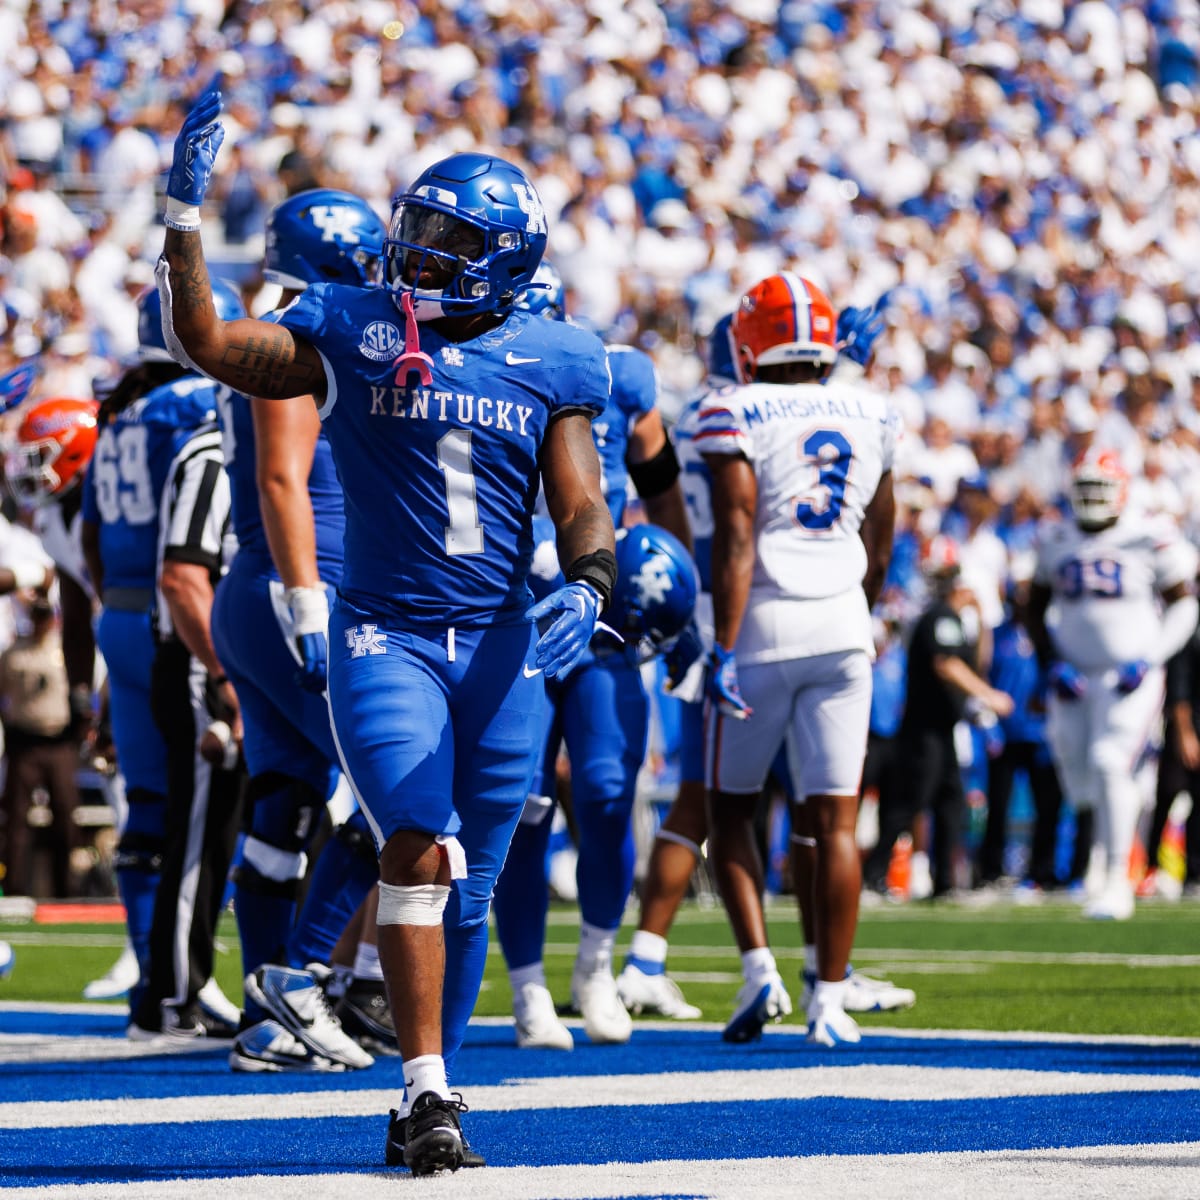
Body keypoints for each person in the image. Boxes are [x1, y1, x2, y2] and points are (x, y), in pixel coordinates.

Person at [156, 82, 616, 1176]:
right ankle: (420, 1091)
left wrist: (590, 578)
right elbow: (214, 342)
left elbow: (581, 497)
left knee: (475, 883)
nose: (415, 253)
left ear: (504, 257)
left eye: (446, 240)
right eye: (413, 229)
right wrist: (181, 225)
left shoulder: (557, 355)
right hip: (389, 634)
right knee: (414, 832)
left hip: (503, 647)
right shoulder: (354, 326)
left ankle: (440, 1084)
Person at [490, 262, 696, 1050]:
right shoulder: (470, 369)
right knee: (525, 805)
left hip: (600, 611)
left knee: (611, 794)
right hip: (514, 612)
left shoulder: (622, 377)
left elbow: (662, 487)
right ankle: (529, 987)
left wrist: (687, 600)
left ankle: (597, 964)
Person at [209, 188, 387, 1074]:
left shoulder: (265, 324)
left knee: (283, 805)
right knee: (398, 794)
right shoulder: (294, 329)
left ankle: (268, 1016)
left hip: (258, 583)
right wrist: (308, 598)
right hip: (301, 584)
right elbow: (285, 476)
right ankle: (305, 974)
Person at [699, 272, 901, 1046]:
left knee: (730, 809)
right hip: (844, 623)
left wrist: (722, 641)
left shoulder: (732, 407)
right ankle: (831, 1000)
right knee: (836, 820)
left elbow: (738, 536)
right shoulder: (875, 409)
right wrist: (861, 610)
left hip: (763, 625)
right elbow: (879, 541)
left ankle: (760, 971)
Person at [81, 278, 247, 1039]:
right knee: (193, 801)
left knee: (154, 806)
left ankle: (159, 980)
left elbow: (88, 541)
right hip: (170, 612)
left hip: (119, 609)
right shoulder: (189, 407)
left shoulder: (117, 413)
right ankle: (172, 981)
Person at [1027, 450, 1198, 920]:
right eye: (1084, 488)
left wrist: (1152, 656)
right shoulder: (1055, 538)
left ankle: (1119, 878)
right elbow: (1034, 606)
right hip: (1075, 679)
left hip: (1130, 676)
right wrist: (1051, 662)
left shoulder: (1149, 535)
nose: (1091, 499)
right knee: (1081, 781)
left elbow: (1185, 604)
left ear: (1122, 492)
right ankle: (1101, 868)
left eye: (1101, 489)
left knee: (1109, 763)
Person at [864, 539, 1015, 903]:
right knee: (909, 802)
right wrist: (989, 695)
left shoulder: (955, 620)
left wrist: (980, 621)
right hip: (923, 728)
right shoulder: (937, 617)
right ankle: (871, 877)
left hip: (944, 727)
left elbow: (974, 662)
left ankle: (945, 880)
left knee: (950, 802)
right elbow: (947, 665)